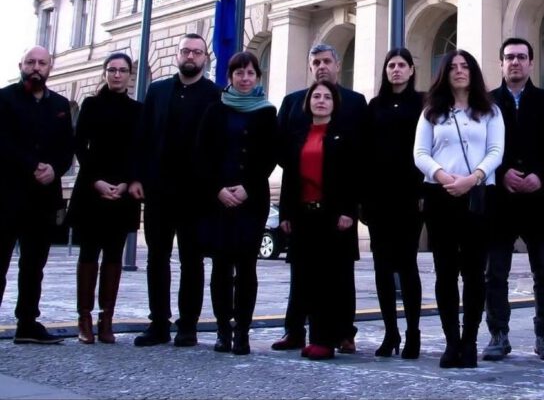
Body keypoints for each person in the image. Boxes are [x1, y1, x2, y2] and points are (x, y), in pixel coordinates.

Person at [271, 43, 366, 354]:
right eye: (316, 62)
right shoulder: (292, 102)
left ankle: (343, 332)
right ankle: (294, 330)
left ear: (337, 65)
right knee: (301, 273)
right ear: (310, 67)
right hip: (303, 204)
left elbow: (357, 163)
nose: (322, 66)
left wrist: (350, 207)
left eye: (327, 60)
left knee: (340, 276)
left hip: (337, 206)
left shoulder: (354, 103)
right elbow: (285, 157)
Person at [414, 49, 504, 369]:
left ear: (473, 72)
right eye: (453, 67)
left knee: (475, 273)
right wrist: (442, 176)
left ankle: (470, 341)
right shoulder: (431, 112)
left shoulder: (489, 110)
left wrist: (473, 178)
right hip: (440, 196)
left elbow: (496, 151)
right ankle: (451, 341)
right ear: (444, 73)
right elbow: (420, 153)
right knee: (445, 272)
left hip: (477, 196)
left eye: (465, 66)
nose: (459, 71)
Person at [129, 33, 220, 347]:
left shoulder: (214, 94)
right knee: (157, 258)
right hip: (158, 190)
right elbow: (142, 137)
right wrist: (137, 178)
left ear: (205, 58)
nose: (190, 56)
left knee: (192, 261)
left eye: (196, 52)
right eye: (185, 51)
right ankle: (158, 324)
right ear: (177, 56)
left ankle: (188, 325)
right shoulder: (157, 91)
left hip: (197, 194)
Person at [482, 38, 544, 363]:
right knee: (495, 273)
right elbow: (478, 148)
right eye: (509, 58)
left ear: (530, 63)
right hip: (499, 202)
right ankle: (498, 335)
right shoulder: (486, 103)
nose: (515, 63)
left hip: (539, 200)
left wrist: (541, 176)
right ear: (501, 64)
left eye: (521, 57)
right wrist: (501, 175)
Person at [196, 51, 278, 356]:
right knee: (221, 267)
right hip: (218, 199)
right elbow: (202, 154)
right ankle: (222, 329)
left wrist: (248, 187)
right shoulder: (214, 110)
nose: (245, 79)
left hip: (251, 199)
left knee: (246, 268)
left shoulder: (267, 112)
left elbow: (270, 156)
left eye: (250, 73)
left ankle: (242, 330)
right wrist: (218, 189)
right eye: (239, 73)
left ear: (258, 77)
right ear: (230, 77)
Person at [0, 46, 74, 344]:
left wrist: (54, 168)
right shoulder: (4, 99)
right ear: (21, 65)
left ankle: (28, 322)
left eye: (42, 63)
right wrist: (32, 166)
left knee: (34, 264)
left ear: (49, 67)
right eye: (30, 62)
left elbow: (67, 146)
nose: (36, 67)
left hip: (43, 197)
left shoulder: (59, 104)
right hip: (7, 194)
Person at [67, 52, 141, 344]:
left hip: (122, 192)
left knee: (113, 255)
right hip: (92, 188)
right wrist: (97, 180)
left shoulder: (138, 110)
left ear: (129, 75)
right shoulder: (91, 105)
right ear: (105, 73)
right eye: (112, 70)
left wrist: (125, 183)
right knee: (88, 254)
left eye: (122, 70)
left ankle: (106, 319)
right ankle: (84, 318)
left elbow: (139, 149)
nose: (117, 75)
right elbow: (79, 144)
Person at [362, 48, 424, 359]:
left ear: (412, 70)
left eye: (402, 65)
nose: (396, 70)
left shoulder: (423, 103)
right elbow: (365, 153)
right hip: (378, 199)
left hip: (410, 198)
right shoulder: (374, 106)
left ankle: (413, 332)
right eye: (391, 65)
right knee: (382, 269)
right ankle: (391, 333)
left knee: (408, 266)